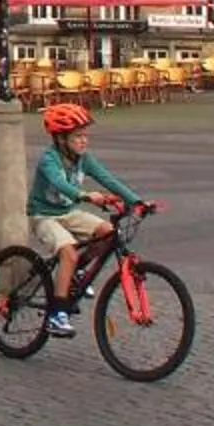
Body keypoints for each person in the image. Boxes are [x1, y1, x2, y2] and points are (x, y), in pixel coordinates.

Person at [29, 103, 144, 337]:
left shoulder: (84, 160)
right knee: (68, 252)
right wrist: (83, 195)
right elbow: (59, 183)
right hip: (44, 216)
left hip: (69, 212)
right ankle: (57, 315)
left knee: (109, 232)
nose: (84, 141)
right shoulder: (49, 160)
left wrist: (137, 201)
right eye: (77, 136)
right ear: (61, 139)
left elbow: (108, 179)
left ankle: (75, 272)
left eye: (85, 136)